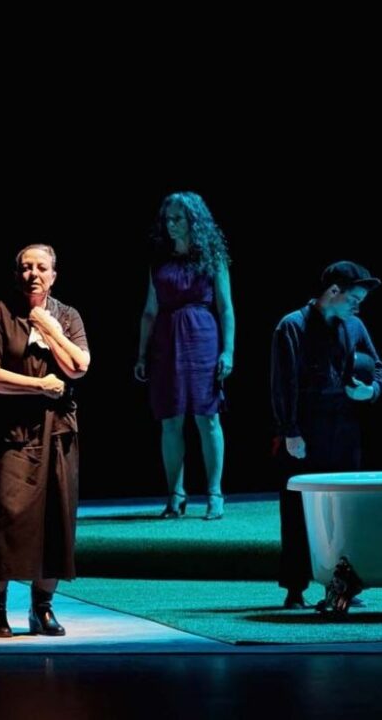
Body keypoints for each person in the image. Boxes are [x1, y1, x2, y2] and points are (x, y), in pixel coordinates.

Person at [0, 244, 91, 638]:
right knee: (5, 519)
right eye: (26, 267)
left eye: (41, 268)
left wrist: (48, 327)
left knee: (57, 518)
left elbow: (78, 366)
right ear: (17, 274)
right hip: (12, 432)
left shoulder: (67, 315)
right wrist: (37, 385)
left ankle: (42, 607)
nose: (33, 274)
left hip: (57, 432)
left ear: (54, 275)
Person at [270, 261, 382, 608]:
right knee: (298, 508)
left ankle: (342, 585)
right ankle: (295, 587)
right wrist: (290, 430)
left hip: (344, 427)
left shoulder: (354, 326)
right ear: (333, 291)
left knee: (344, 508)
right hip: (308, 427)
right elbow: (282, 383)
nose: (357, 307)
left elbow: (379, 368)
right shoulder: (292, 326)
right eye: (353, 298)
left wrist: (371, 391)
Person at [134, 192, 234, 520]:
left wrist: (228, 351)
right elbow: (149, 310)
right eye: (168, 219)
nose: (171, 225)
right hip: (166, 342)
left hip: (202, 337)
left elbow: (226, 308)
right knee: (170, 418)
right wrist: (141, 354)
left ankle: (215, 493)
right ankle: (175, 494)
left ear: (194, 221)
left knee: (208, 417)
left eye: (178, 218)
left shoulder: (212, 257)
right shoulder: (158, 259)